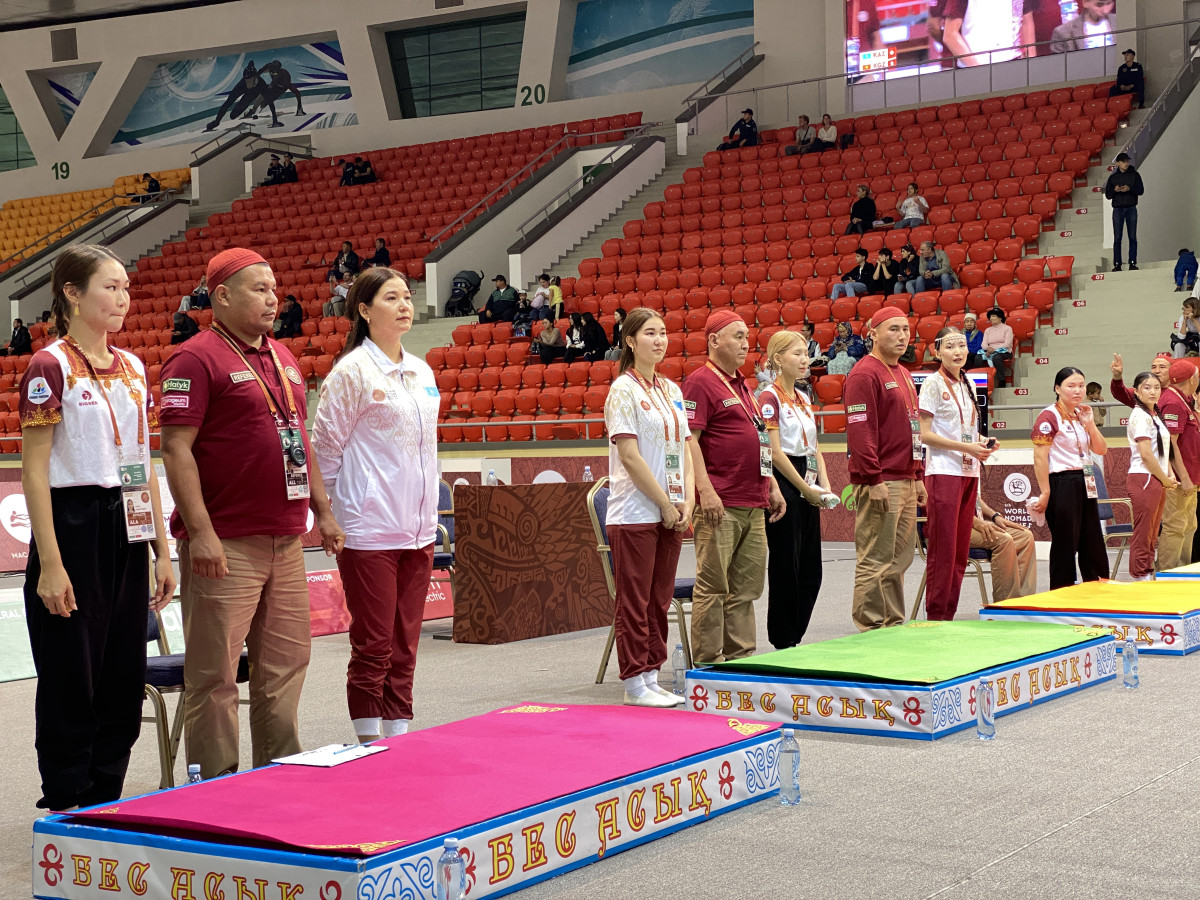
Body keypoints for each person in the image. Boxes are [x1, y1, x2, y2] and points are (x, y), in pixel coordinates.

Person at [159, 247, 344, 778]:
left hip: (285, 539)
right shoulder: (194, 358)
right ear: (221, 296)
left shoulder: (284, 358)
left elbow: (298, 439)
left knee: (285, 666)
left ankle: (278, 777)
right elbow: (176, 449)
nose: (273, 297)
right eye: (259, 288)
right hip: (226, 543)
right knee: (214, 674)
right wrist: (202, 533)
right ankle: (215, 786)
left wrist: (323, 512)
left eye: (274, 287)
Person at [19, 244, 174, 811]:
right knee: (70, 666)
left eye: (126, 287)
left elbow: (141, 462)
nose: (122, 298)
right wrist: (52, 564)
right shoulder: (49, 366)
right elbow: (33, 471)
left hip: (125, 522)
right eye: (109, 287)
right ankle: (65, 795)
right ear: (72, 294)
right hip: (71, 521)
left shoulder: (134, 368)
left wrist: (161, 547)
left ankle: (106, 791)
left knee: (122, 665)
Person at [311, 268, 437, 743]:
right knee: (374, 643)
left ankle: (398, 731)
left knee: (405, 642)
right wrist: (330, 515)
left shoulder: (422, 371)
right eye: (391, 298)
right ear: (364, 310)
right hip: (369, 529)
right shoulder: (351, 373)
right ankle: (368, 737)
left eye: (407, 296)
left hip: (419, 528)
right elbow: (324, 452)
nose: (405, 304)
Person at [682, 309, 786, 663]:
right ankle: (709, 663)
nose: (746, 343)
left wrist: (770, 483)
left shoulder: (743, 385)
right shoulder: (700, 382)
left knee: (746, 588)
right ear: (714, 341)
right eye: (738, 336)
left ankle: (741, 659)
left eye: (746, 336)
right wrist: (705, 491)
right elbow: (689, 441)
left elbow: (758, 439)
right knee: (714, 587)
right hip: (720, 503)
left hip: (752, 500)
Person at [603, 308, 694, 706]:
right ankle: (634, 682)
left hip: (672, 511)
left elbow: (686, 451)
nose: (659, 340)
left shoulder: (672, 390)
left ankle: (653, 673)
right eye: (649, 333)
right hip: (635, 511)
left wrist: (686, 500)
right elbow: (630, 456)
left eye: (663, 333)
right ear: (630, 341)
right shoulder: (623, 390)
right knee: (635, 599)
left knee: (659, 598)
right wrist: (663, 502)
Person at [845, 307, 926, 630]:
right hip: (881, 480)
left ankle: (892, 624)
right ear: (873, 333)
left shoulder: (904, 373)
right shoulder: (865, 374)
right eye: (893, 329)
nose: (902, 336)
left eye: (906, 329)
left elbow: (913, 428)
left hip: (906, 478)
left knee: (899, 561)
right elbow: (860, 431)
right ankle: (869, 627)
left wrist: (918, 475)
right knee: (875, 558)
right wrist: (873, 478)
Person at [759, 331, 832, 648]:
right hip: (784, 479)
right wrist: (803, 487)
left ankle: (795, 636)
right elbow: (774, 452)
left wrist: (824, 486)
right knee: (786, 564)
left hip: (809, 476)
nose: (805, 360)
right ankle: (783, 640)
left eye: (806, 353)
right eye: (797, 354)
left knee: (811, 569)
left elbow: (815, 448)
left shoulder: (803, 397)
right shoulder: (768, 398)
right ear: (777, 359)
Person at [918, 326, 995, 620]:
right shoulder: (932, 385)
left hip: (968, 471)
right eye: (950, 346)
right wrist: (966, 447)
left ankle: (948, 615)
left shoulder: (969, 384)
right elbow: (924, 435)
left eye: (961, 345)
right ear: (937, 351)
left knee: (961, 552)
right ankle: (937, 616)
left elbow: (968, 431)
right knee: (944, 550)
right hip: (943, 472)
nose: (958, 352)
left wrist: (982, 445)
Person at [1030, 367, 1109, 590]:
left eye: (1081, 385)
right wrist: (1045, 491)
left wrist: (1090, 424)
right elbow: (1039, 457)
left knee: (1091, 538)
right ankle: (1061, 591)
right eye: (1071, 386)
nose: (1078, 390)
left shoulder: (1080, 415)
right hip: (1062, 482)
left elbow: (1101, 450)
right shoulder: (1049, 415)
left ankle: (1098, 586)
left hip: (1085, 479)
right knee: (1066, 541)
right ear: (1057, 388)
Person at [1124, 371, 1177, 581]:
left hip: (1157, 477)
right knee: (1144, 532)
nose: (1153, 391)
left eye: (1156, 387)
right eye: (1147, 387)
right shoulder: (1139, 415)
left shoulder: (1154, 414)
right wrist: (1164, 479)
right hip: (1144, 477)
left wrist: (1169, 473)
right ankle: (1139, 576)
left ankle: (1147, 573)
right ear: (1136, 391)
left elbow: (1161, 450)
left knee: (1153, 532)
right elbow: (1146, 454)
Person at [1155, 362, 1200, 569]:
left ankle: (1182, 573)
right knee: (1175, 527)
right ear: (1191, 379)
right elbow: (1170, 444)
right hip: (1179, 480)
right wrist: (1184, 477)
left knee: (1189, 525)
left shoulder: (1184, 400)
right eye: (1197, 376)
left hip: (1190, 477)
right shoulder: (1173, 402)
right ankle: (1167, 575)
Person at [971, 497, 1037, 600]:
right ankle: (1004, 605)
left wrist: (995, 516)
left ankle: (1024, 602)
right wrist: (974, 521)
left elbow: (974, 497)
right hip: (952, 526)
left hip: (972, 520)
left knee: (1025, 536)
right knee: (1003, 540)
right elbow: (946, 503)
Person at [941, 0, 1035, 66]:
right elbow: (950, 35)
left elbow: (1026, 22)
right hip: (976, 68)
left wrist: (1032, 62)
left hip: (1015, 62)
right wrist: (976, 68)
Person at [1104, 152, 1143, 272]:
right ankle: (1117, 264)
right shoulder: (1113, 178)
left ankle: (1132, 262)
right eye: (1123, 161)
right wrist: (1116, 190)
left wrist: (1129, 189)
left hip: (1131, 207)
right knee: (1117, 238)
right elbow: (1108, 195)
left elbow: (1140, 190)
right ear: (1118, 163)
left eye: (1127, 161)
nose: (1126, 163)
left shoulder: (1135, 175)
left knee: (1132, 236)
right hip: (1118, 209)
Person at [1050, 0, 1116, 52]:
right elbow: (1059, 65)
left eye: (1109, 3)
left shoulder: (1120, 20)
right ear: (1085, 2)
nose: (1105, 11)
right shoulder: (1062, 33)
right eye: (1099, 5)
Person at [979, 308, 1014, 387]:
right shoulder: (988, 330)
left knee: (996, 357)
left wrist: (994, 350)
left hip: (1004, 352)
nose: (991, 318)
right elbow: (983, 344)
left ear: (1000, 317)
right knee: (978, 358)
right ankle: (981, 382)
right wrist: (988, 349)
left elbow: (1007, 344)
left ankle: (1002, 381)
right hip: (989, 351)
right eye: (990, 317)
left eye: (993, 316)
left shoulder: (1008, 328)